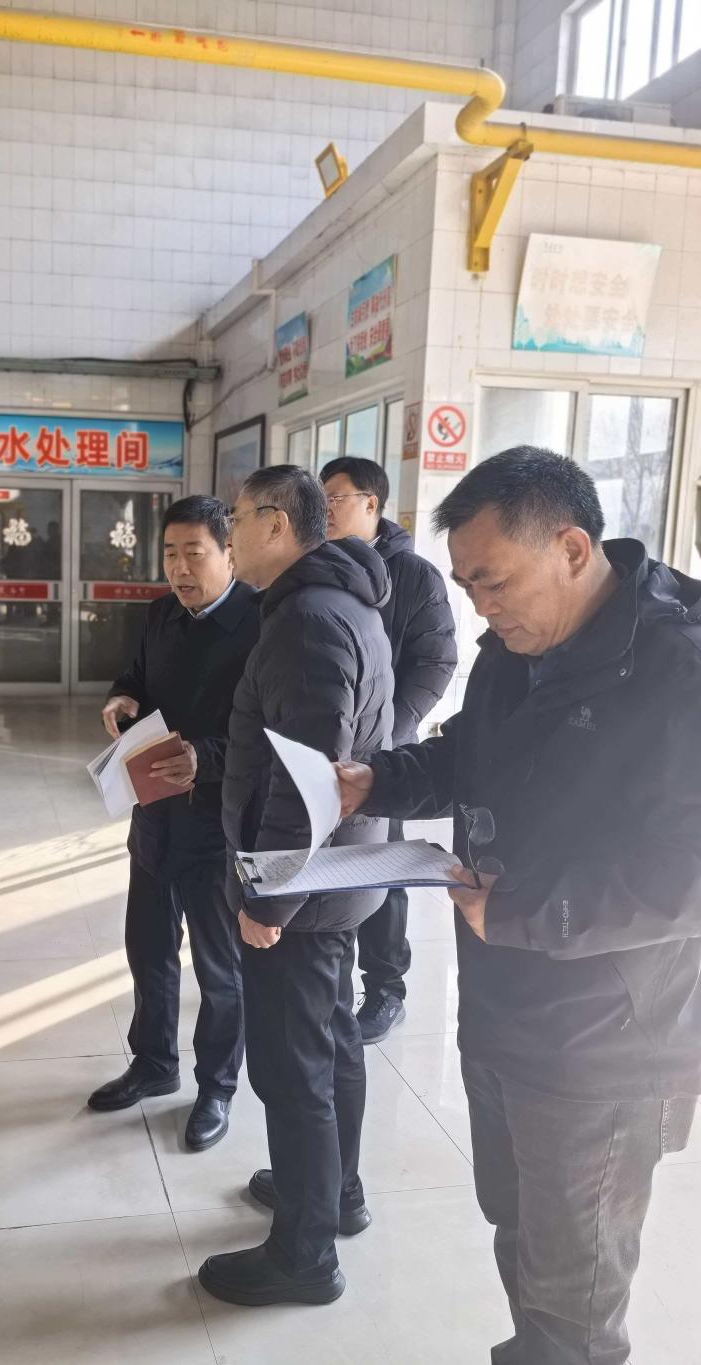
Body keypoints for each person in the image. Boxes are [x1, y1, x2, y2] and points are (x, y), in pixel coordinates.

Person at [336, 447, 701, 1365]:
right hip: (502, 1006)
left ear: (572, 548)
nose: (479, 608)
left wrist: (534, 911)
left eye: (492, 582)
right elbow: (472, 753)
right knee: (522, 1235)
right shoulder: (516, 649)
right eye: (466, 585)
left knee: (575, 1294)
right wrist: (376, 779)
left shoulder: (679, 668)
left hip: (605, 1040)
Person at [197, 465, 393, 1308]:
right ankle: (335, 1191)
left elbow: (304, 782)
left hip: (302, 889)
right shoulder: (335, 603)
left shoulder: (308, 619)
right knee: (332, 1040)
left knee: (294, 1065)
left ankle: (305, 1254)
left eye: (236, 518)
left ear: (276, 523)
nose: (229, 533)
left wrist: (268, 900)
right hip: (337, 876)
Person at [88, 495, 261, 1153]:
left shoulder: (260, 623)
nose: (180, 568)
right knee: (148, 949)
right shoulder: (160, 614)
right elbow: (136, 677)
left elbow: (269, 732)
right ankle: (154, 1062)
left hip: (217, 825)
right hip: (154, 816)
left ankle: (216, 1085)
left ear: (229, 553)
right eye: (169, 553)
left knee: (219, 968)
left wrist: (205, 759)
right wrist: (122, 696)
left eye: (195, 553)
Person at [321, 456, 457, 1041]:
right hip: (325, 749)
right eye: (320, 499)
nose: (325, 508)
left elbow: (436, 661)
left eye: (336, 497)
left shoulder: (414, 575)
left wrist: (387, 739)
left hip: (386, 757)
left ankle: (385, 989)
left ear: (371, 504)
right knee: (328, 866)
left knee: (383, 870)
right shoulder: (317, 567)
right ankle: (326, 978)